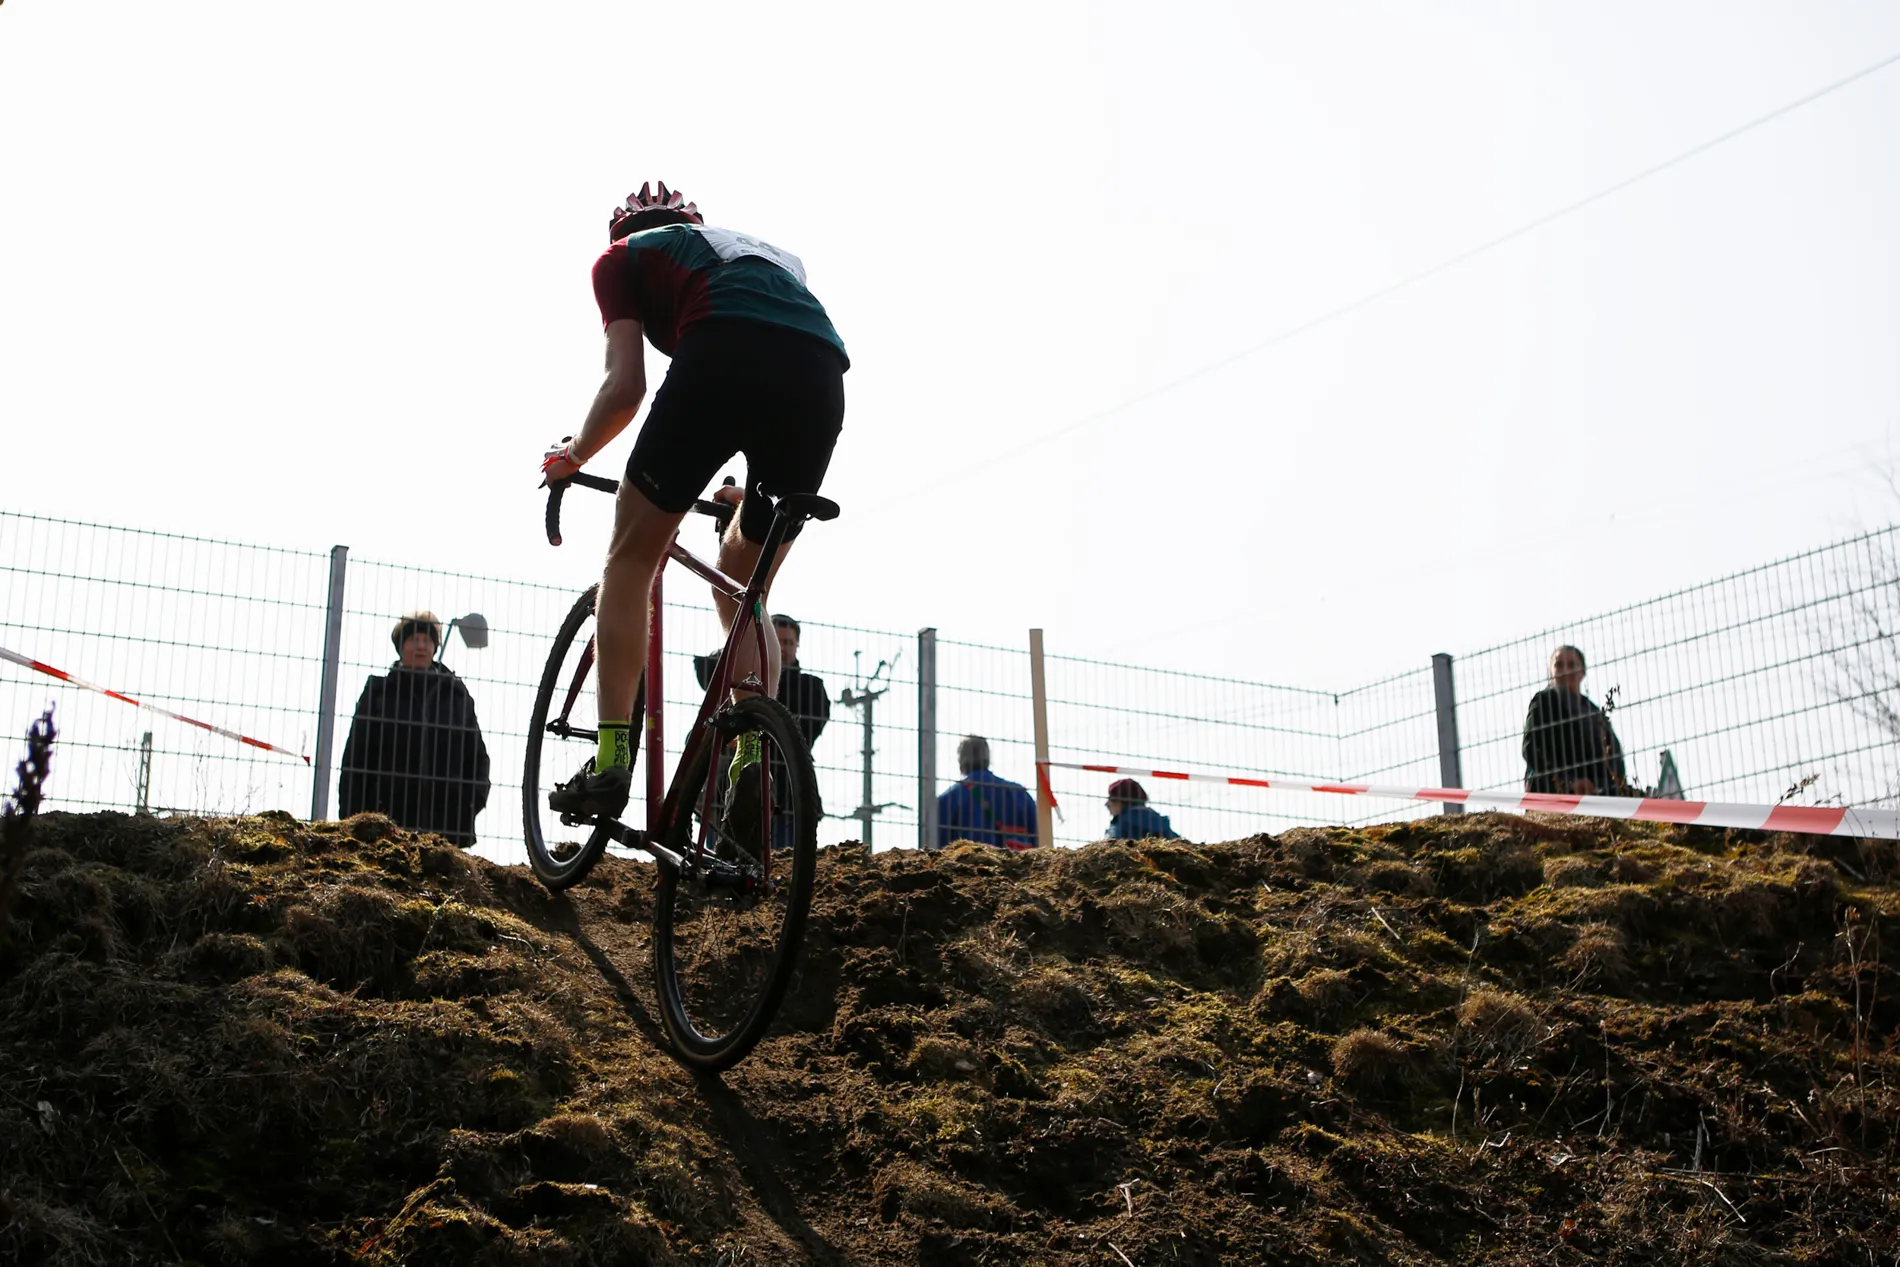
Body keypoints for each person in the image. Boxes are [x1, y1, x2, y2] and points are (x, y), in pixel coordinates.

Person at [539, 182, 849, 820]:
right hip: (821, 373)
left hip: (722, 357)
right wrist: (743, 485)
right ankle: (749, 758)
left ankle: (611, 760)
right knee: (744, 586)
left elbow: (627, 386)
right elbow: (768, 348)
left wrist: (574, 456)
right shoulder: (769, 257)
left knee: (629, 562)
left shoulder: (621, 259)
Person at [338, 611, 491, 846]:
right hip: (383, 832)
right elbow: (355, 759)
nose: (421, 646)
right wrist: (353, 822)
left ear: (435, 647)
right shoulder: (379, 693)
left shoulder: (456, 696)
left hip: (446, 831)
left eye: (427, 640)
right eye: (413, 639)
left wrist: (466, 805)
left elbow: (478, 758)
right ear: (401, 646)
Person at [1522, 644, 1630, 796]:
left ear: (1582, 672)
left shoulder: (1593, 712)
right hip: (1552, 792)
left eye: (1572, 664)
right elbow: (1531, 748)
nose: (1565, 670)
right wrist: (1568, 782)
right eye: (1558, 665)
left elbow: (1614, 756)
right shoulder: (1544, 702)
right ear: (1550, 672)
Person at [936, 735, 1040, 851]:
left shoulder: (949, 799)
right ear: (988, 758)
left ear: (961, 760)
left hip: (969, 863)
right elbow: (1037, 836)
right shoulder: (1019, 793)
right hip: (1015, 864)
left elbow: (938, 845)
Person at [1103, 777, 1179, 840]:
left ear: (1120, 803)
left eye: (1110, 803)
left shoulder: (1119, 827)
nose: (1106, 804)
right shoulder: (1161, 824)